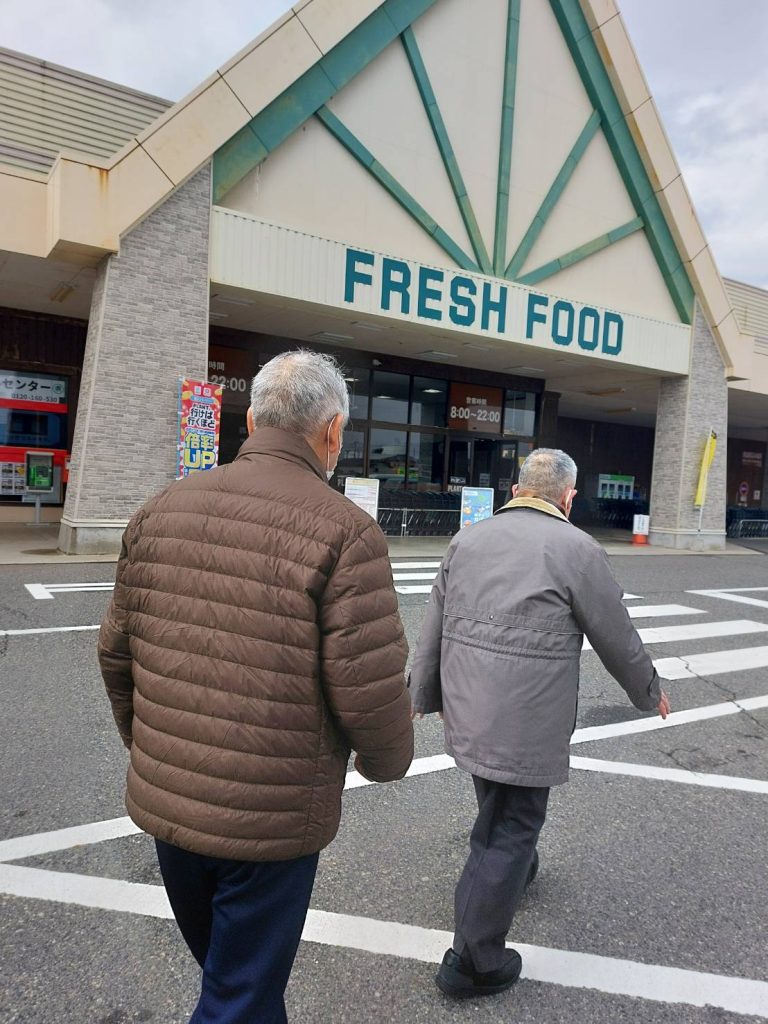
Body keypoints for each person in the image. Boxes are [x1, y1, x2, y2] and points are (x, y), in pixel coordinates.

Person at [98, 349, 414, 1024]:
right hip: (271, 816)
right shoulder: (345, 531)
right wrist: (387, 761)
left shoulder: (161, 509)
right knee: (237, 994)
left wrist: (152, 747)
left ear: (249, 420)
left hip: (170, 796)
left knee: (233, 976)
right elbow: (368, 683)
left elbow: (116, 654)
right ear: (332, 433)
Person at [408, 448, 669, 1000]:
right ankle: (472, 960)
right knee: (511, 824)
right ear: (568, 497)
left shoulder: (469, 540)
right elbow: (614, 633)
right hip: (525, 716)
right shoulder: (576, 548)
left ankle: (512, 874)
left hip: (468, 705)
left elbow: (435, 618)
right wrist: (649, 691)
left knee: (496, 805)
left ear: (517, 488)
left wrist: (420, 694)